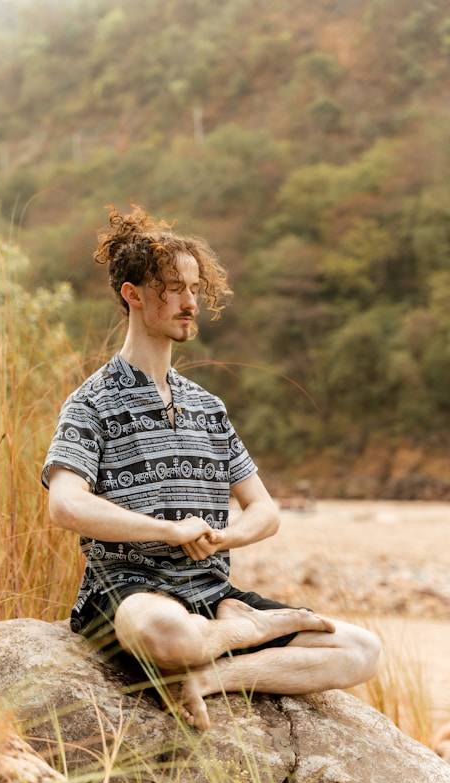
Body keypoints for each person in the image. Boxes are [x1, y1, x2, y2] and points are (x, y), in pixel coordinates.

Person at [42, 204, 381, 731]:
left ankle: (210, 676)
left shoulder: (207, 406)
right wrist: (169, 530)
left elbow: (264, 511)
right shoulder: (90, 402)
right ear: (132, 294)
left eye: (194, 288)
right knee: (170, 638)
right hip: (130, 589)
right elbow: (65, 505)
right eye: (173, 288)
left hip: (213, 591)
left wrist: (223, 539)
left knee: (362, 650)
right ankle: (237, 635)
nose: (189, 302)